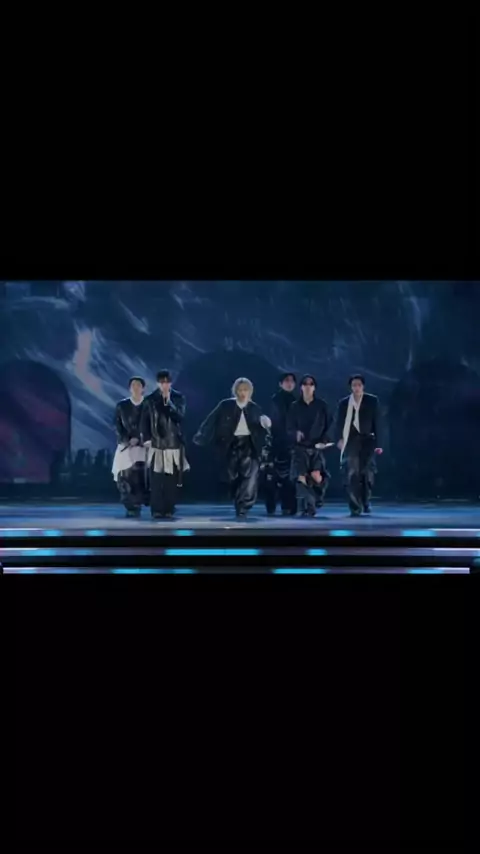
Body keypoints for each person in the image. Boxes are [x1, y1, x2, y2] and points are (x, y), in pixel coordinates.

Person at [193, 377, 271, 520]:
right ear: (235, 391)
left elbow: (261, 428)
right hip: (230, 445)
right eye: (240, 390)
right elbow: (211, 420)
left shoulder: (254, 408)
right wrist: (201, 436)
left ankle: (243, 508)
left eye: (245, 390)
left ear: (250, 391)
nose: (243, 393)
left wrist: (265, 424)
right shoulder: (225, 405)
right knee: (232, 477)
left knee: (250, 477)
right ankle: (237, 498)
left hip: (249, 445)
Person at [140, 369, 189, 519]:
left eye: (167, 382)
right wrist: (147, 439)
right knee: (156, 479)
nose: (164, 385)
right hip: (156, 444)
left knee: (171, 479)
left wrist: (168, 403)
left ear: (171, 383)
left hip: (173, 444)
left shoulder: (178, 398)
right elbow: (144, 421)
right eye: (162, 382)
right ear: (157, 383)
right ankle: (156, 509)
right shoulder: (150, 400)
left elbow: (180, 417)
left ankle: (169, 508)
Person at [334, 374, 383, 516]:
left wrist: (379, 444)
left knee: (366, 473)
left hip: (368, 440)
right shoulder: (344, 403)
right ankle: (355, 506)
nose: (356, 388)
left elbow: (378, 422)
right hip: (351, 440)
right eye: (354, 385)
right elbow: (339, 422)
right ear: (350, 387)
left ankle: (365, 500)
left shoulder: (372, 400)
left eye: (359, 385)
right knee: (352, 472)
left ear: (363, 386)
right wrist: (339, 439)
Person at [287, 374, 332, 517]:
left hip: (317, 447)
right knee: (301, 477)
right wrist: (295, 433)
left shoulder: (321, 405)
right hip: (300, 448)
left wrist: (325, 440)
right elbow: (289, 427)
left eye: (310, 384)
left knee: (316, 476)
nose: (308, 387)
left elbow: (330, 425)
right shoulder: (294, 406)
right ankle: (308, 506)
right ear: (301, 387)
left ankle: (317, 498)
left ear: (314, 387)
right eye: (305, 384)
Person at [112, 377, 148, 517]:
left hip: (145, 445)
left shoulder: (148, 405)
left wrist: (140, 438)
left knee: (141, 475)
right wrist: (127, 440)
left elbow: (152, 424)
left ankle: (142, 501)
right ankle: (130, 505)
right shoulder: (122, 406)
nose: (135, 388)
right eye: (133, 385)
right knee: (125, 475)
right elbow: (117, 425)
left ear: (143, 388)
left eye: (138, 385)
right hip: (126, 446)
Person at [264, 372, 298, 515]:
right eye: (286, 381)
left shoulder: (297, 400)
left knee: (290, 477)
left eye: (292, 381)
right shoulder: (275, 400)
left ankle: (288, 505)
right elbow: (274, 422)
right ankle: (271, 505)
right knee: (273, 476)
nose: (289, 383)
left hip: (292, 443)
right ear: (280, 384)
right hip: (277, 442)